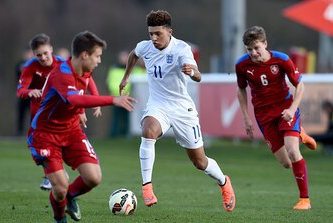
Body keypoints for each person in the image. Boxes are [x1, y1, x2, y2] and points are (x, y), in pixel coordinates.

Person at [119, 10, 235, 212]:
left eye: (158, 34)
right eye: (151, 34)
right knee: (148, 131)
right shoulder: (145, 47)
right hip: (158, 105)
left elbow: (198, 76)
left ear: (169, 32)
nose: (154, 38)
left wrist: (193, 73)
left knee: (199, 162)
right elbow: (133, 55)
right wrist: (126, 76)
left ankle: (224, 182)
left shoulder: (181, 49)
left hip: (182, 109)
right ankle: (147, 187)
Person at [27, 31, 136, 223]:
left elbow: (87, 82)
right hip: (45, 135)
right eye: (97, 56)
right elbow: (74, 98)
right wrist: (111, 100)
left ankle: (70, 197)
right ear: (85, 55)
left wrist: (89, 105)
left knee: (94, 177)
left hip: (71, 131)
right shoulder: (61, 73)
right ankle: (60, 219)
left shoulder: (85, 69)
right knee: (59, 188)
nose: (99, 60)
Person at [235, 26, 315, 210]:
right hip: (263, 116)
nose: (254, 53)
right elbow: (240, 89)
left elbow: (300, 86)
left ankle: (305, 200)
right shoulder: (242, 65)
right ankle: (300, 134)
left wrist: (293, 109)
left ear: (265, 44)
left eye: (257, 48)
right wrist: (246, 118)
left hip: (285, 110)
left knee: (293, 152)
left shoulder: (282, 60)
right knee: (286, 163)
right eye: (249, 49)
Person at [17, 34, 101, 192]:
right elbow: (20, 90)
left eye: (45, 53)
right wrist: (29, 92)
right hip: (41, 114)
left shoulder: (62, 64)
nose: (42, 57)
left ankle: (58, 176)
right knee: (46, 145)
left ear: (51, 49)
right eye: (38, 55)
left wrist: (87, 106)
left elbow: (85, 80)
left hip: (64, 111)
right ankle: (54, 175)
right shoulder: (30, 67)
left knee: (66, 139)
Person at [106, 50, 131, 137]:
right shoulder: (114, 69)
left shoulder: (131, 69)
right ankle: (114, 134)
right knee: (116, 116)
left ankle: (125, 134)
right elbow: (110, 81)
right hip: (116, 97)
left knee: (126, 117)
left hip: (128, 97)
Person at [15, 49, 33, 136]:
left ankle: (33, 131)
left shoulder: (35, 65)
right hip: (23, 94)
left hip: (32, 94)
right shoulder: (21, 64)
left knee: (33, 113)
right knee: (21, 114)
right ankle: (19, 132)